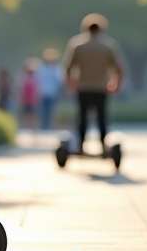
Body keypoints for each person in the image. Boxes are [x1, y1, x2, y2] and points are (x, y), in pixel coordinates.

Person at [63, 14, 126, 154]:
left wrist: (71, 83)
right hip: (101, 87)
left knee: (82, 117)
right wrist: (116, 84)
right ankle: (103, 145)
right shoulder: (108, 46)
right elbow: (120, 69)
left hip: (83, 87)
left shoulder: (77, 45)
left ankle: (80, 145)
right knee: (102, 117)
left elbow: (67, 68)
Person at [34, 47, 64, 130]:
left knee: (48, 110)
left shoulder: (52, 68)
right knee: (46, 110)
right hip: (46, 92)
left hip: (48, 92)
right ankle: (45, 125)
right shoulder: (49, 68)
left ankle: (47, 124)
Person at [19, 58, 40, 130]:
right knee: (30, 114)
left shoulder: (26, 79)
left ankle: (31, 126)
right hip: (30, 100)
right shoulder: (32, 79)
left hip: (29, 100)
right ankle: (30, 126)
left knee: (29, 114)